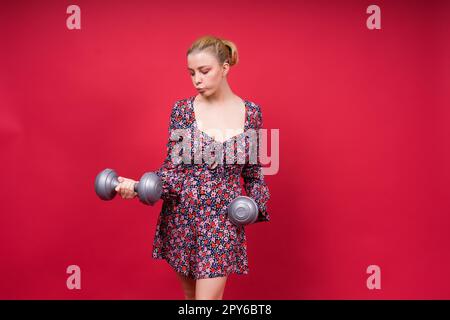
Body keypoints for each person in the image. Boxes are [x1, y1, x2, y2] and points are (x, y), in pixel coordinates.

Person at [115, 35, 270, 300]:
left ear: (225, 67)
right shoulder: (182, 111)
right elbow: (173, 171)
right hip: (182, 218)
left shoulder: (251, 113)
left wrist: (253, 206)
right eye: (191, 73)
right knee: (192, 302)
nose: (197, 79)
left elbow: (254, 174)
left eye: (204, 71)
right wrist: (142, 187)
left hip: (223, 223)